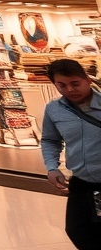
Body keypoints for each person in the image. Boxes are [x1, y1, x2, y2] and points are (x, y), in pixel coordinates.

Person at [42, 58, 101, 249]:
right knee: (78, 229)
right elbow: (50, 140)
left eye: (75, 83)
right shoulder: (54, 109)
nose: (69, 90)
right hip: (82, 181)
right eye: (62, 85)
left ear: (87, 79)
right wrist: (52, 167)